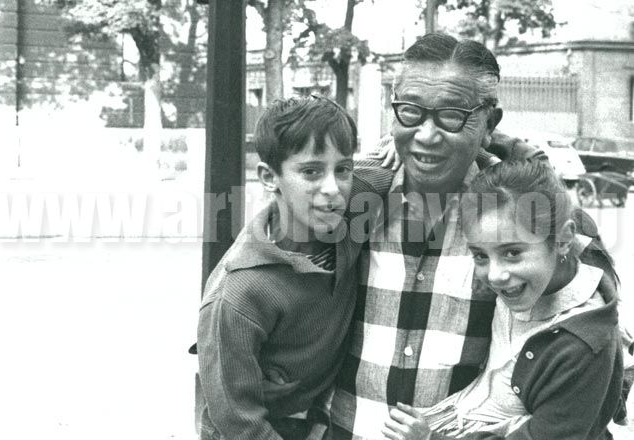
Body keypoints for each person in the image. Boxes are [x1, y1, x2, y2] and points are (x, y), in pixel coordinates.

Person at [324, 33, 622, 439]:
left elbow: (587, 335)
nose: (426, 136)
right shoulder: (351, 195)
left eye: (451, 115)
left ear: (489, 124)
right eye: (410, 111)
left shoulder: (526, 212)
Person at [381, 160, 623, 440]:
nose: (495, 276)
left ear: (563, 240)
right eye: (480, 255)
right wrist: (402, 144)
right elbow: (501, 158)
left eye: (512, 253)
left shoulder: (583, 346)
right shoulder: (538, 275)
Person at [195, 95, 390, 440]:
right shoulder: (239, 294)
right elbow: (237, 419)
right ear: (269, 177)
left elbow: (413, 148)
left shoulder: (351, 210)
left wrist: (495, 149)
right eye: (311, 171)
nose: (332, 188)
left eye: (343, 169)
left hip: (318, 416)